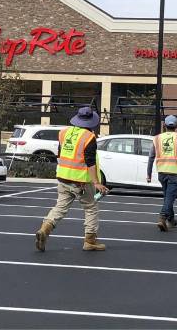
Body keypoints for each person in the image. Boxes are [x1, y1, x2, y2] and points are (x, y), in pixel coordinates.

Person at [35, 106, 109, 252]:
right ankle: (90, 241)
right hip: (80, 181)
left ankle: (44, 229)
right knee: (91, 208)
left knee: (60, 208)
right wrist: (97, 183)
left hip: (63, 177)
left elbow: (60, 154)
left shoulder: (64, 133)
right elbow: (90, 162)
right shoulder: (89, 137)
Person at [146, 115, 177, 231]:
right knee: (169, 198)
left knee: (168, 197)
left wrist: (148, 174)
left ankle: (171, 220)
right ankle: (162, 217)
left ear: (164, 126)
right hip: (174, 172)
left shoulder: (157, 138)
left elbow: (151, 156)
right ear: (176, 126)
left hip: (161, 172)